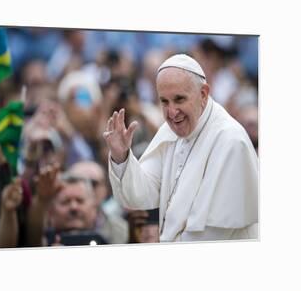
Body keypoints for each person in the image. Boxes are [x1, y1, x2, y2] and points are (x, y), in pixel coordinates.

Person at [103, 53, 258, 242]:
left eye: (179, 99)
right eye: (164, 101)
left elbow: (213, 234)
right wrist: (121, 157)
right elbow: (141, 195)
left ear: (203, 94)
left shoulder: (230, 141)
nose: (172, 112)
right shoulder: (170, 132)